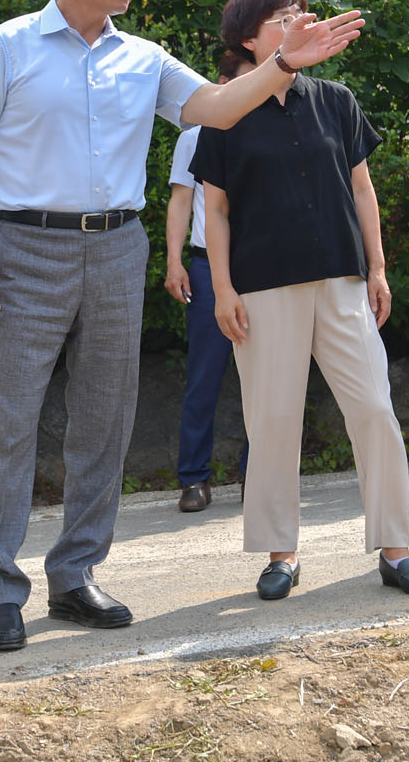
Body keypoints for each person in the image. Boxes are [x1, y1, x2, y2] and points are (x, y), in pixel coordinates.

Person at [0, 0, 364, 652]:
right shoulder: (7, 44)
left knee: (105, 419)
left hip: (116, 246)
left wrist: (282, 64)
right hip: (25, 246)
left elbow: (217, 108)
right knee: (10, 421)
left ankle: (75, 575)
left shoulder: (145, 58)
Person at [194, 0, 409, 600]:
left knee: (375, 409)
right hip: (261, 286)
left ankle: (396, 549)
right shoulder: (224, 111)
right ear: (249, 40)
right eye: (282, 18)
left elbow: (361, 189)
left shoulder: (335, 100)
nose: (299, 24)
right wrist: (222, 288)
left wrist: (377, 268)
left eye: (302, 14)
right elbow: (214, 210)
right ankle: (281, 553)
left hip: (341, 278)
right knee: (272, 420)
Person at [164, 48, 252, 513]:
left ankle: (259, 475)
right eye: (245, 78)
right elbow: (181, 200)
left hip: (261, 266)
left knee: (267, 377)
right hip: (204, 268)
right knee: (204, 375)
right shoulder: (194, 136)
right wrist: (173, 261)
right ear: (222, 83)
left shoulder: (271, 128)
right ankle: (194, 478)